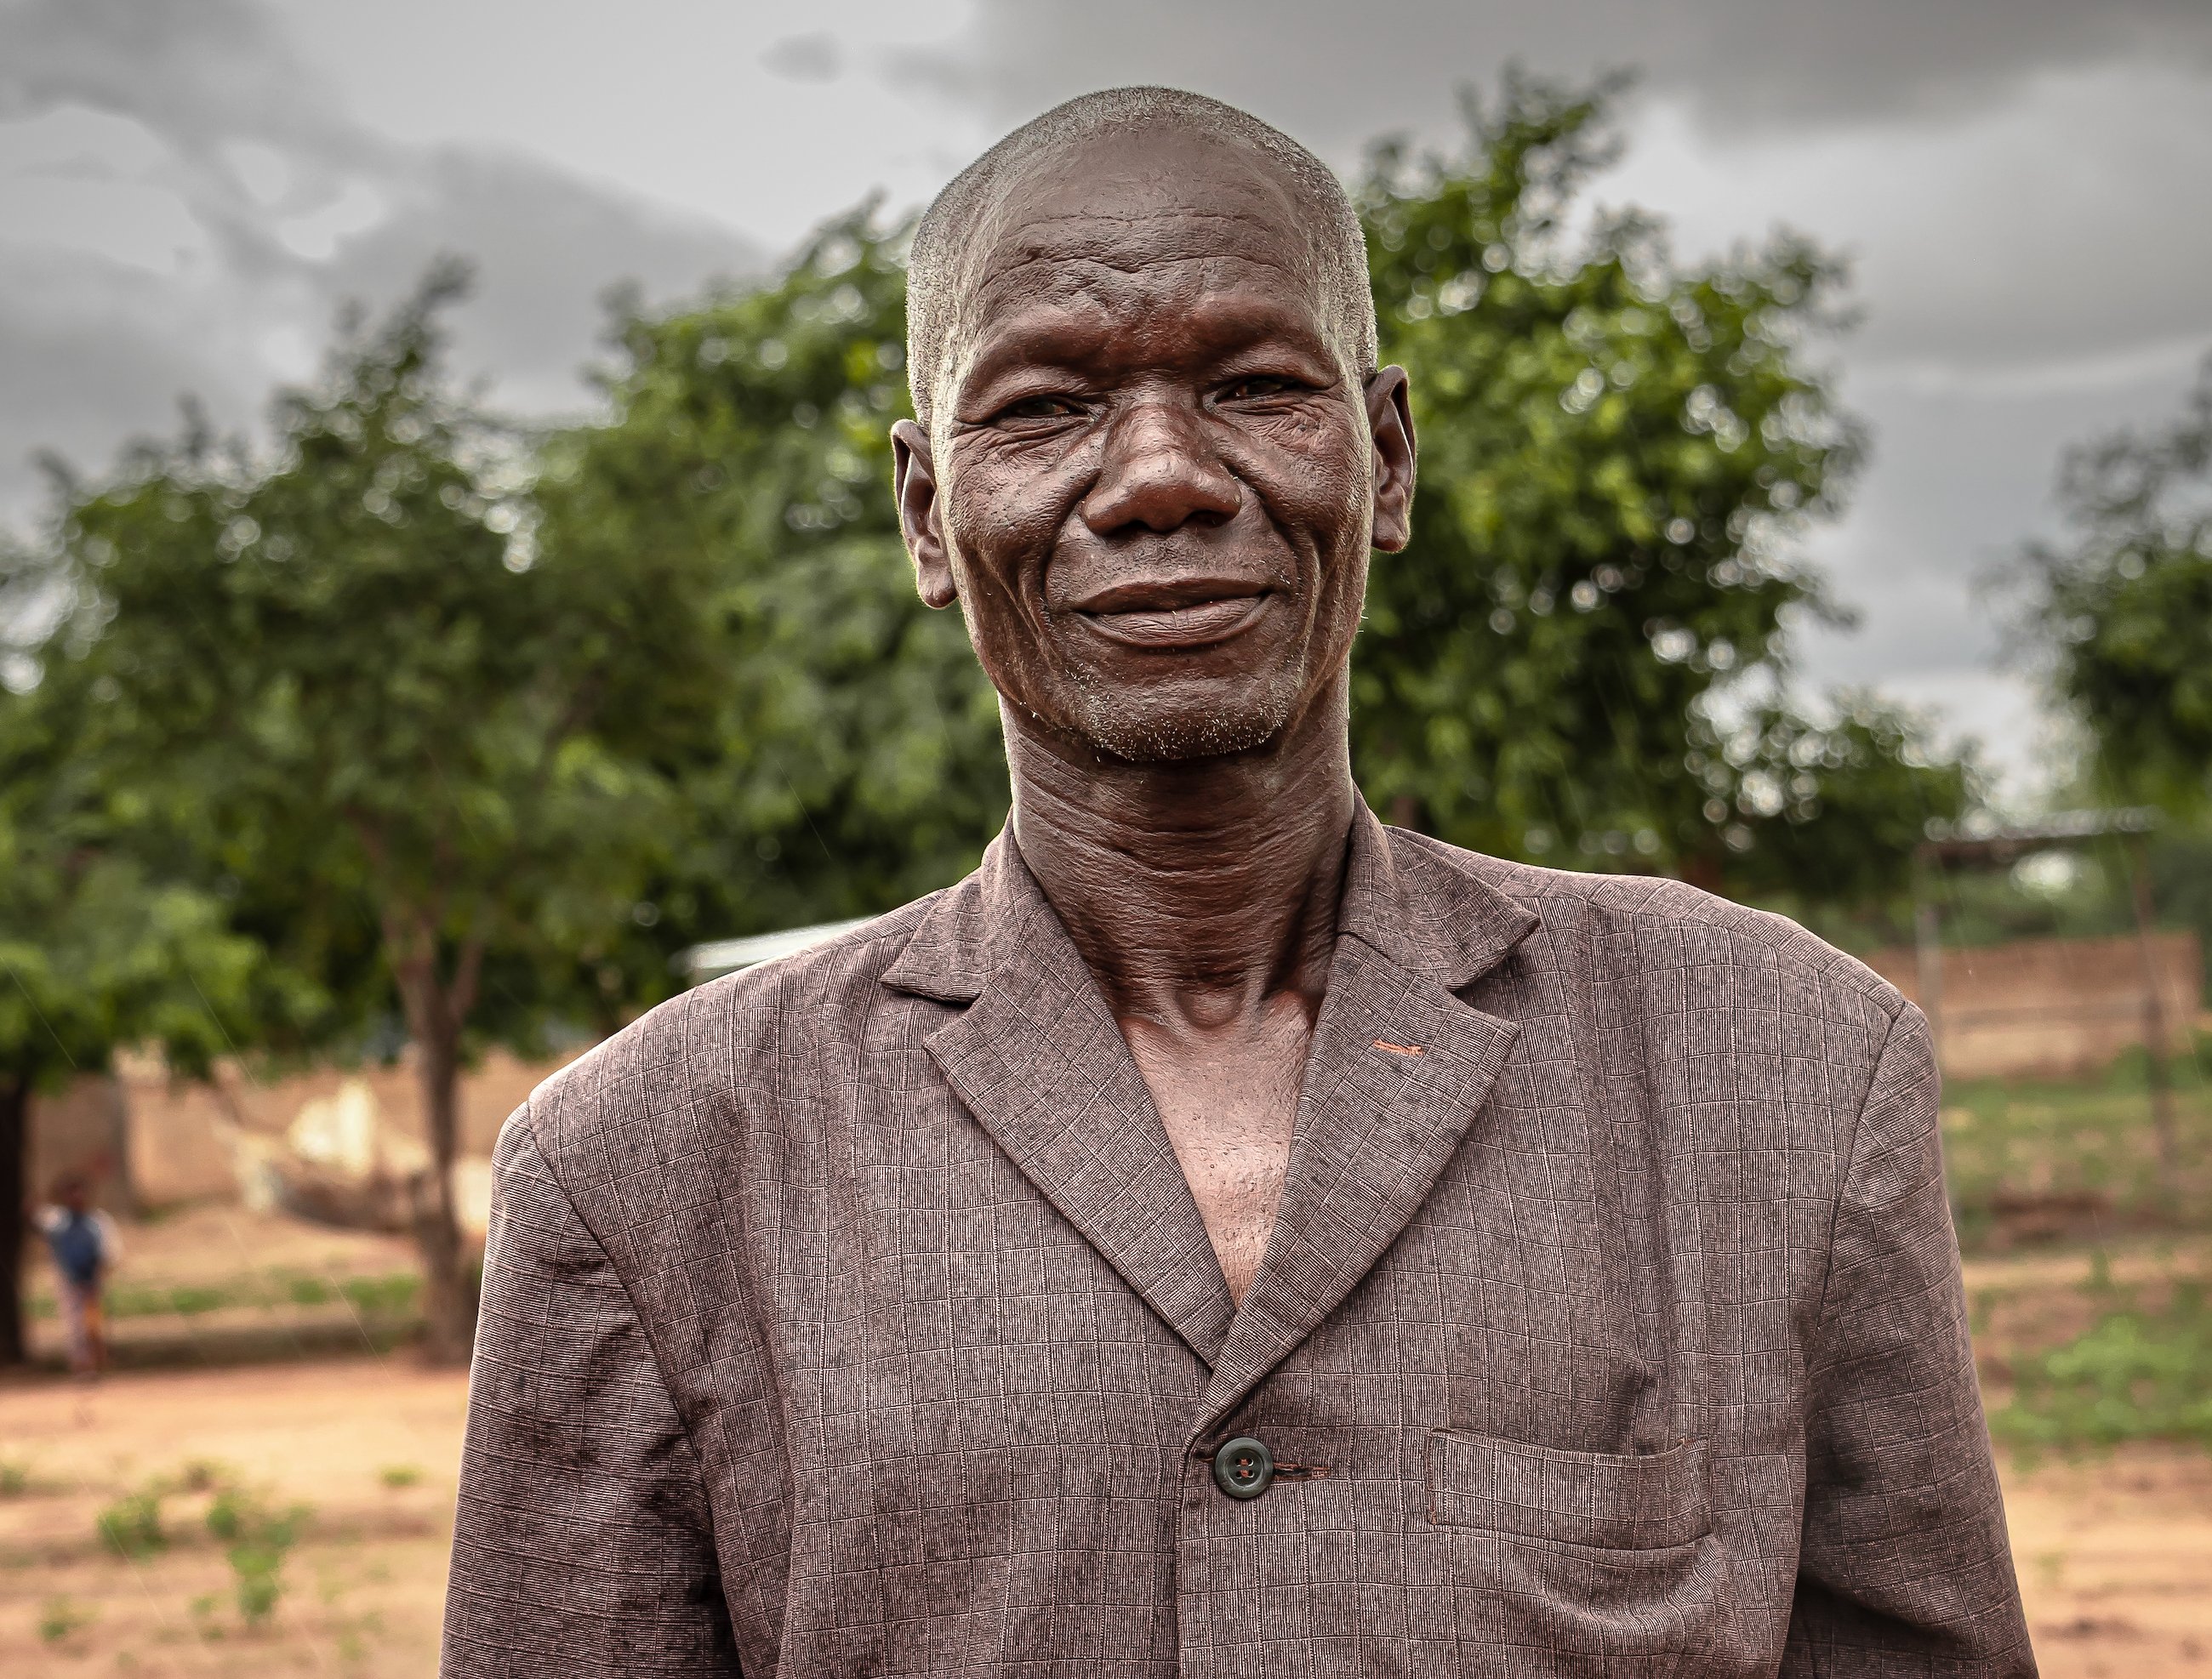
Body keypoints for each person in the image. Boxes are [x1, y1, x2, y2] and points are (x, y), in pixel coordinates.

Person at [442, 88, 2032, 1676]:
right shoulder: (643, 1168)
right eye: (1044, 406)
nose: (1159, 478)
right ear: (930, 514)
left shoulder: (1780, 1066)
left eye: (1259, 385)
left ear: (1385, 457)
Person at [37, 1172, 117, 1379]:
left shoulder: (97, 1222)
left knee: (93, 1324)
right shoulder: (57, 1221)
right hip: (68, 1281)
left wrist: (98, 1274)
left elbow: (109, 1252)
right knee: (75, 1326)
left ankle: (97, 1362)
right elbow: (36, 1212)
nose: (77, 1197)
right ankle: (82, 1365)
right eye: (71, 1193)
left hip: (92, 1279)